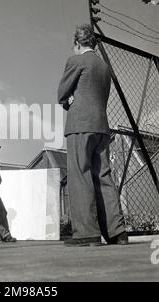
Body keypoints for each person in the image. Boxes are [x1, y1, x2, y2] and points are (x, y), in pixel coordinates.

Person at [57, 24, 128, 247]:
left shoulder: (75, 61)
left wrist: (68, 102)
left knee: (80, 175)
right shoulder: (104, 66)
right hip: (101, 125)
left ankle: (87, 234)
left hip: (80, 124)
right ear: (94, 43)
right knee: (103, 177)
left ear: (77, 43)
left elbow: (61, 94)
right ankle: (117, 232)